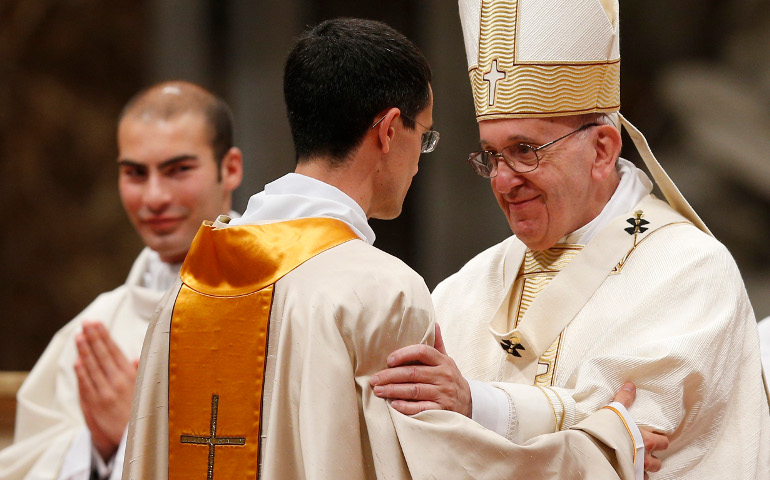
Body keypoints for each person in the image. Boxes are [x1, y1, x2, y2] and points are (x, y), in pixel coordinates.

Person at [123, 17, 663, 480]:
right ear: (387, 132)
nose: (419, 158)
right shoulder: (376, 289)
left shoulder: (186, 291)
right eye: (423, 135)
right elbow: (440, 467)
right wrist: (604, 446)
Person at [371, 1, 770, 478]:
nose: (502, 180)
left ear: (602, 149)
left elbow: (635, 439)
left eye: (525, 151)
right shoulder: (465, 289)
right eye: (491, 156)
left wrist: (476, 405)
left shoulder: (690, 268)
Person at [0, 81, 243, 480]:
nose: (154, 197)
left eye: (178, 169)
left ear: (230, 168)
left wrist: (137, 431)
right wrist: (98, 448)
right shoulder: (95, 328)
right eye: (134, 173)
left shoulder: (280, 300)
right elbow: (23, 466)